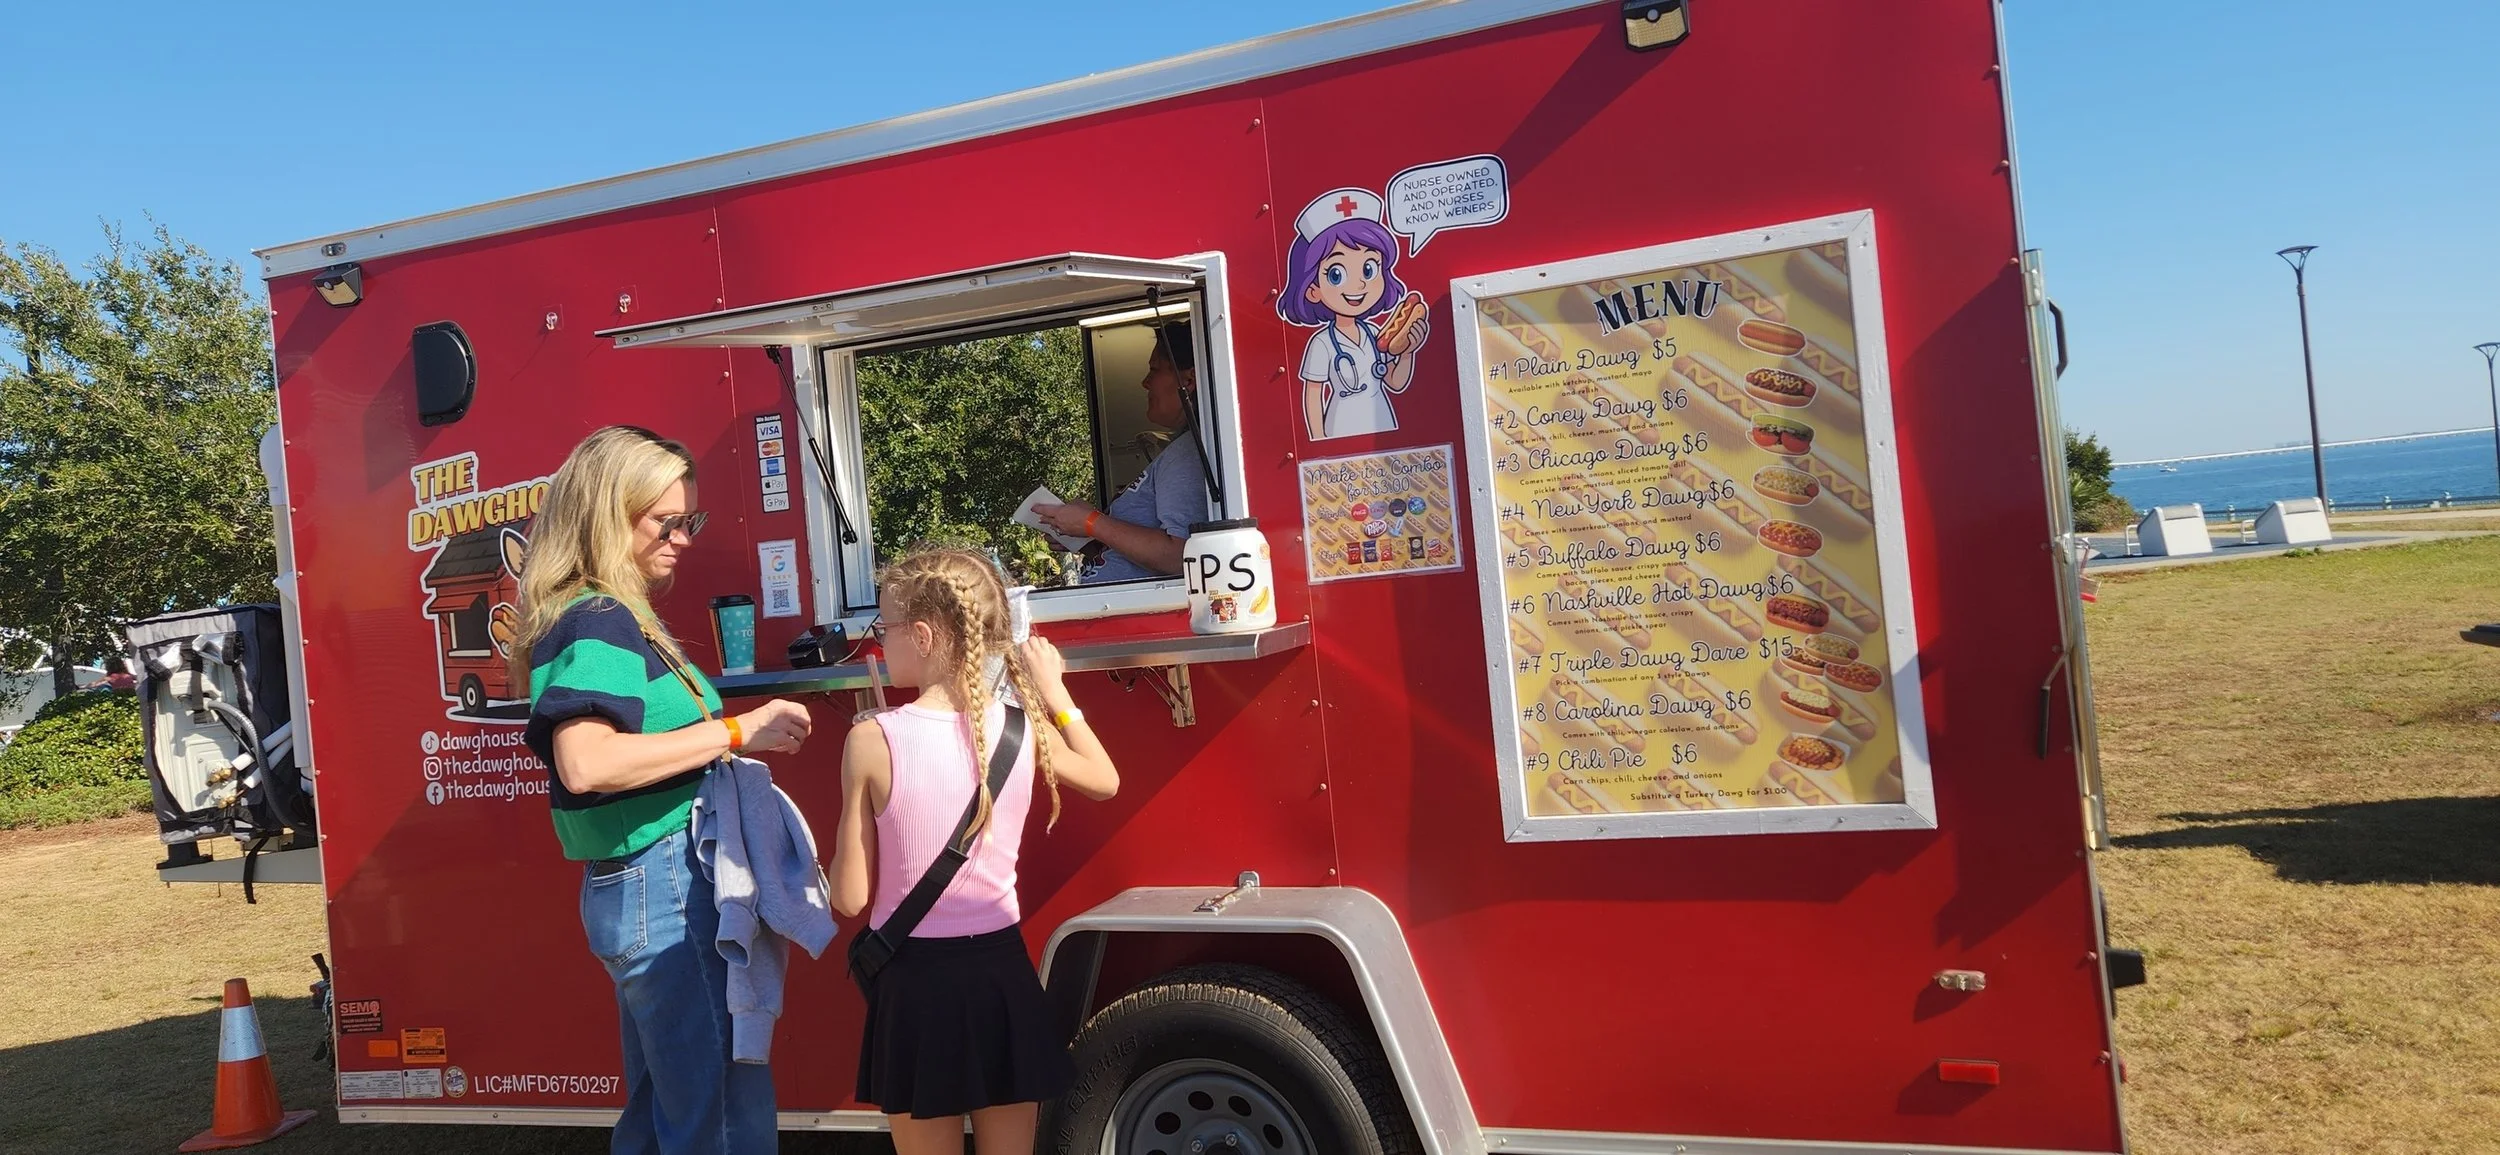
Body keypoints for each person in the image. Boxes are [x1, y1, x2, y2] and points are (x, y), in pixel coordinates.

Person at [510, 425, 817, 1155]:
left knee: (664, 1115)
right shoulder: (601, 619)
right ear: (606, 514)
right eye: (666, 522)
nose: (683, 537)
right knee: (719, 1118)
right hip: (664, 884)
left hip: (644, 883)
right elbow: (585, 761)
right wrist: (738, 732)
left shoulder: (601, 613)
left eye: (690, 520)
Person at [829, 547, 1120, 1155]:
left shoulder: (871, 739)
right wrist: (1055, 690)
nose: (881, 643)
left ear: (926, 634)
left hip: (913, 985)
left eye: (885, 628)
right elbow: (1105, 779)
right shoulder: (1020, 727)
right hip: (999, 975)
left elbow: (851, 899)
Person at [1033, 321, 1208, 582]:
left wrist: (1093, 523)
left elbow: (1180, 557)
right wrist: (1090, 540)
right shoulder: (1179, 452)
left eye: (1154, 370)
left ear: (1189, 380)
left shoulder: (1187, 455)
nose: (1145, 382)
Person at [1277, 187, 1429, 440]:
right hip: (1341, 428)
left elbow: (1394, 382)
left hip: (1383, 424)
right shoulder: (1322, 343)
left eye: (1369, 269)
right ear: (1313, 289)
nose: (1358, 286)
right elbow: (1313, 395)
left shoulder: (1374, 333)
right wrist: (1318, 441)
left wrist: (1407, 352)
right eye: (1336, 274)